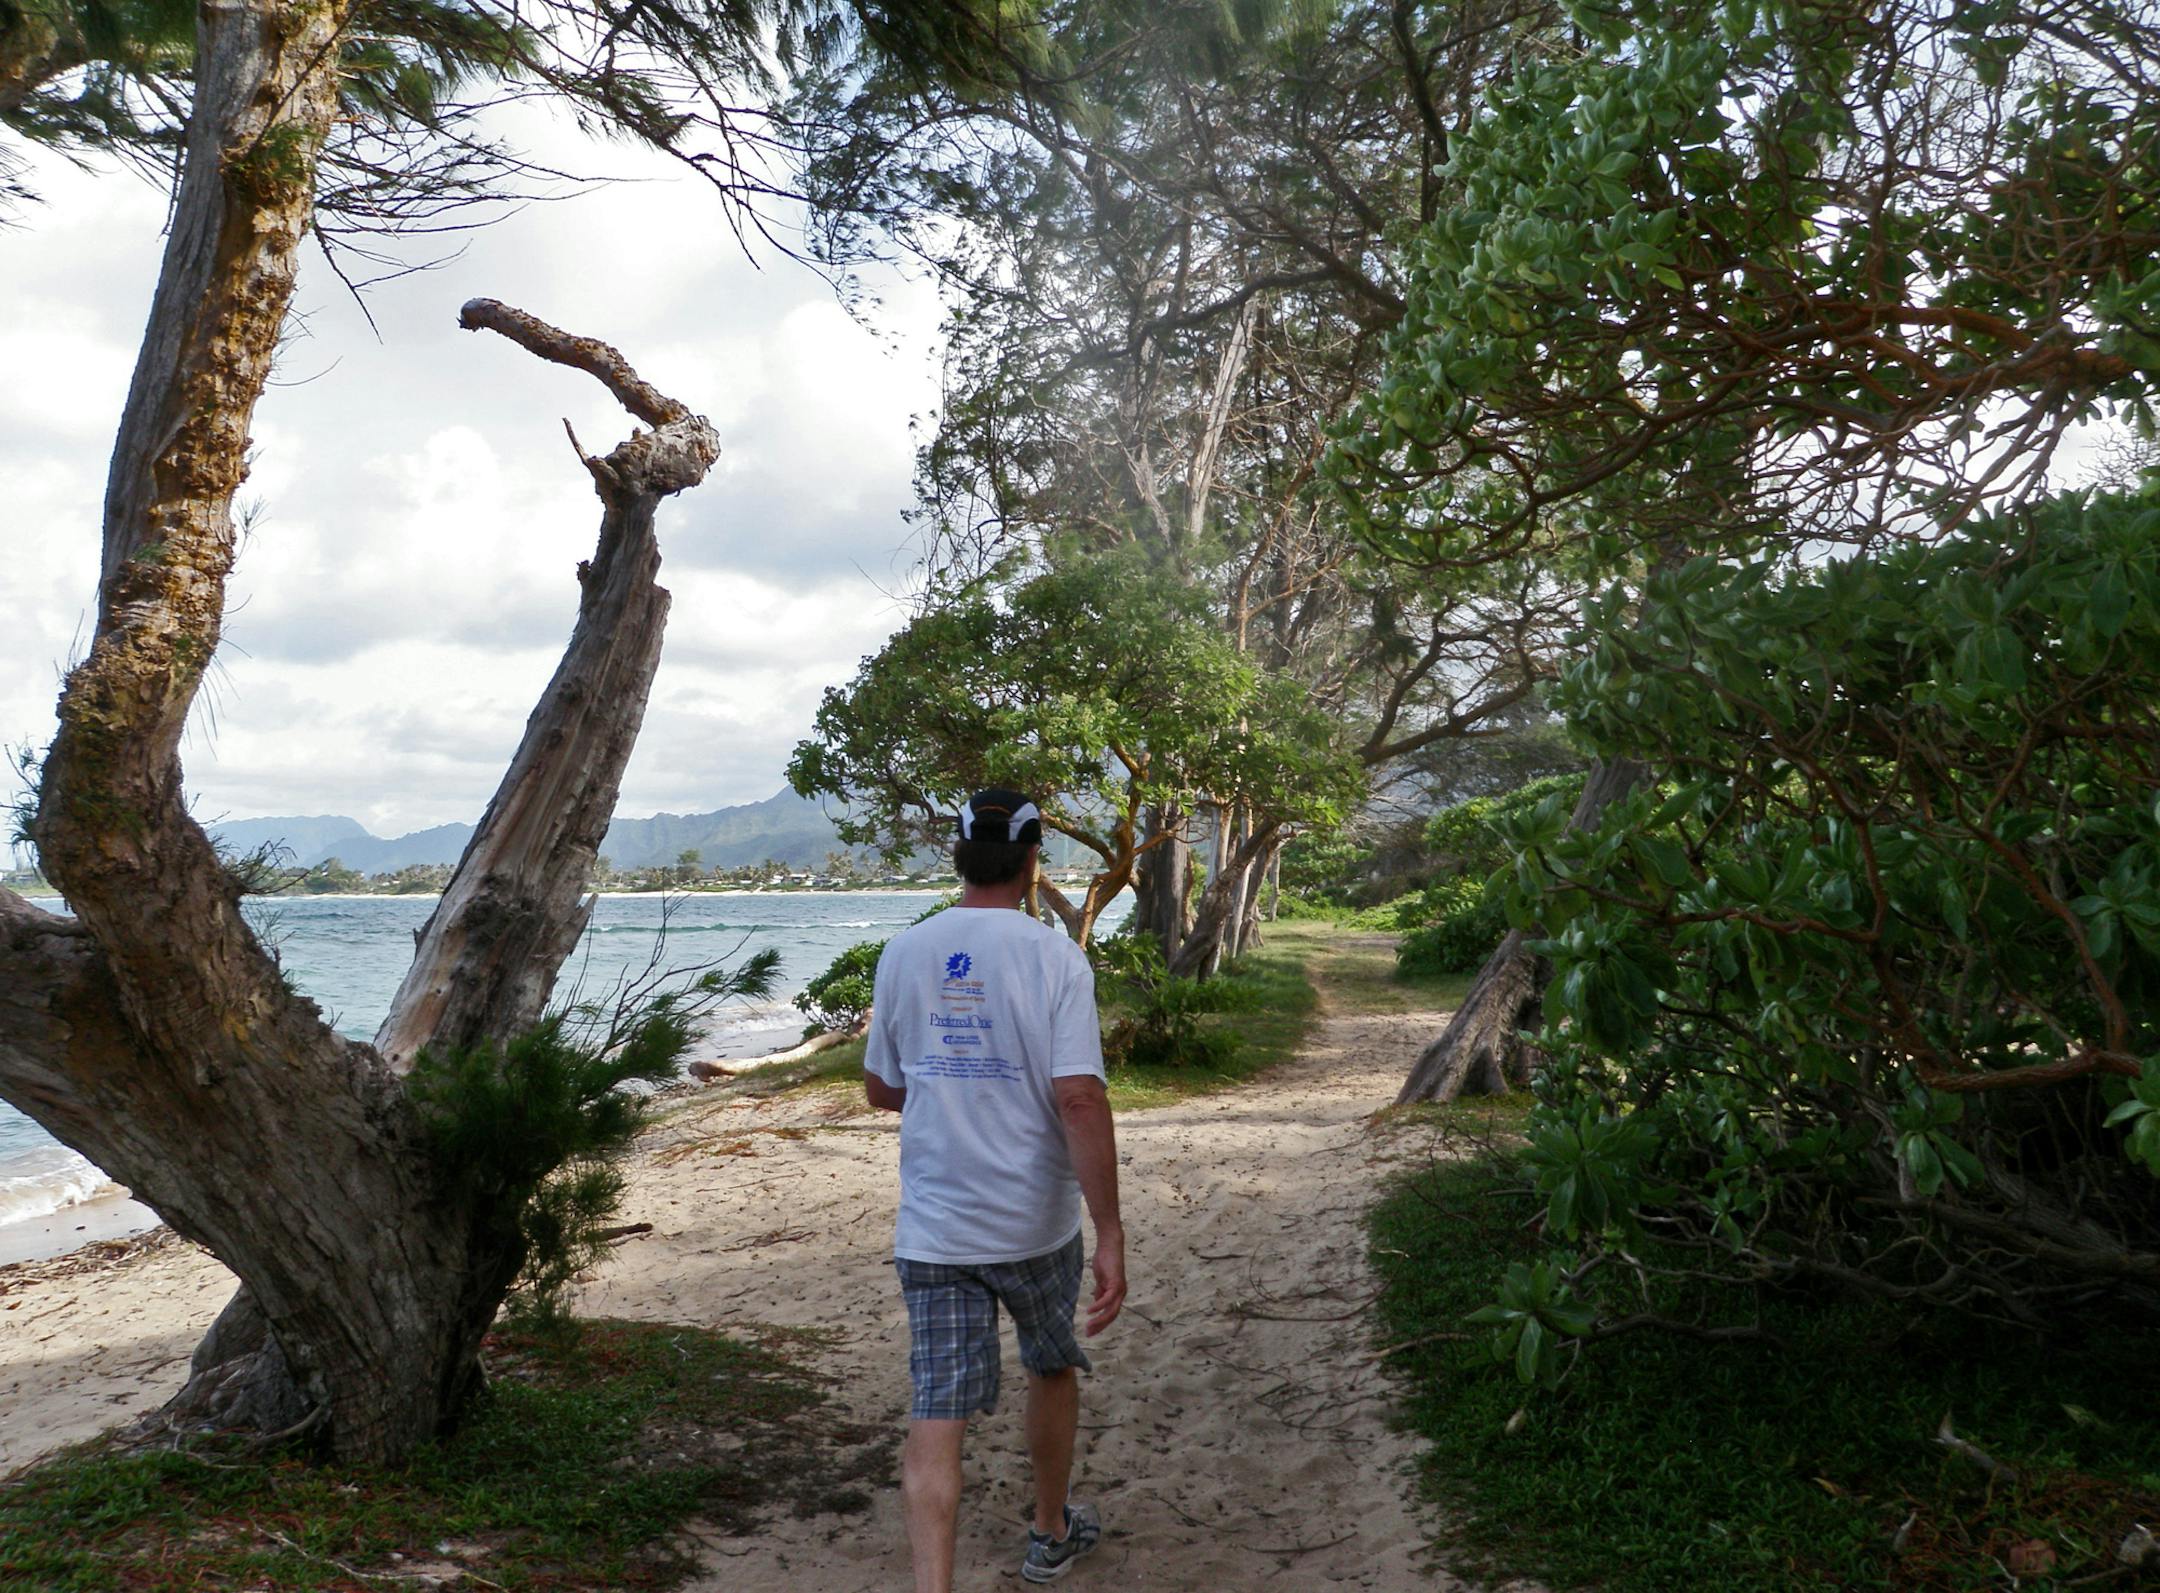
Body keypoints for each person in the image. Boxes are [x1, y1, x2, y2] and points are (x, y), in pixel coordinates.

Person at [863, 787, 1126, 1590]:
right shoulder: (1055, 958)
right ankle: (1048, 1530)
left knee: (936, 1408)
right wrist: (1109, 1228)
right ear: (1031, 859)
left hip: (937, 1228)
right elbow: (1079, 1096)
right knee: (1050, 1364)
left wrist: (951, 1083)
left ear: (959, 856)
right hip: (1033, 1223)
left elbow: (881, 1088)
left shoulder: (906, 951)